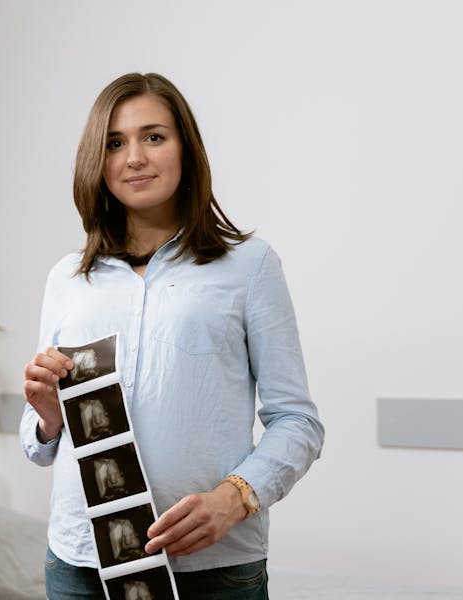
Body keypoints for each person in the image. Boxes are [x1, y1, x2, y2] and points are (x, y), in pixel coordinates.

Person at [21, 72, 324, 599]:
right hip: (79, 564)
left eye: (153, 136)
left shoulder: (249, 266)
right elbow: (41, 439)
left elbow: (297, 421)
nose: (134, 157)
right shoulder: (67, 278)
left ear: (187, 149)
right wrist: (48, 413)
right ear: (98, 159)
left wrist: (236, 497)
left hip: (213, 568)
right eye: (114, 143)